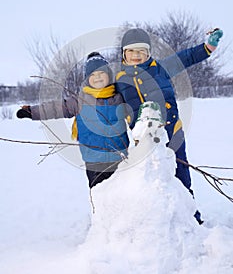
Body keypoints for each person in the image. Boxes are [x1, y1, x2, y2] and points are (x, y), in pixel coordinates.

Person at [116, 27, 223, 224]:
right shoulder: (119, 80)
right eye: (132, 52)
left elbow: (186, 57)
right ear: (124, 54)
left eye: (141, 51)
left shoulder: (161, 68)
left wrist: (207, 47)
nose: (137, 56)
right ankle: (158, 222)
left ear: (148, 52)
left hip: (172, 131)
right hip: (144, 141)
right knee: (153, 180)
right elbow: (103, 99)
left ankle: (191, 219)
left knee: (182, 176)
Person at [17, 52, 129, 188]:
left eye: (101, 73)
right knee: (101, 197)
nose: (97, 77)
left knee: (124, 196)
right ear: (87, 79)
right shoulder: (79, 101)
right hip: (94, 162)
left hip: (121, 158)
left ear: (109, 75)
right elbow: (55, 107)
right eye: (92, 75)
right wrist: (32, 111)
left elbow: (136, 109)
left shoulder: (119, 97)